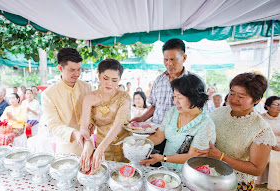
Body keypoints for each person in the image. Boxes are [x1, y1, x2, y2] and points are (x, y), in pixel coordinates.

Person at [198, 73, 276, 191]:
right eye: (232, 93)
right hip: (209, 177)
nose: (234, 99)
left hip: (236, 187)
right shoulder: (219, 113)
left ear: (257, 99)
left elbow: (257, 169)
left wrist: (221, 156)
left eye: (241, 96)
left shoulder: (260, 129)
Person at [132, 38, 192, 166]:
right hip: (157, 134)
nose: (168, 63)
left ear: (184, 58)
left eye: (173, 59)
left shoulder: (193, 82)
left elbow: (197, 112)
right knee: (153, 167)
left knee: (173, 170)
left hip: (178, 138)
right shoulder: (159, 80)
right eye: (166, 59)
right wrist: (142, 118)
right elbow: (154, 105)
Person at [140, 74, 215, 170]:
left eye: (179, 98)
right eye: (174, 96)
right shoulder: (173, 112)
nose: (176, 101)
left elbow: (192, 156)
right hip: (166, 168)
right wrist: (139, 143)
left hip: (189, 174)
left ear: (194, 97)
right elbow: (158, 136)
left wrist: (163, 158)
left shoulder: (206, 125)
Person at [80, 59, 131, 172]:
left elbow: (119, 123)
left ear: (119, 80)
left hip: (124, 145)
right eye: (105, 78)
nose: (109, 84)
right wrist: (88, 143)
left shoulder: (124, 97)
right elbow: (84, 126)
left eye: (114, 80)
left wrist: (100, 148)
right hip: (103, 146)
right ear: (99, 76)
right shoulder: (89, 98)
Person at [41, 48, 92, 155]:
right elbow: (53, 125)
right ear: (60, 68)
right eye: (72, 70)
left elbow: (93, 112)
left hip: (88, 144)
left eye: (79, 69)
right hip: (67, 149)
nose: (77, 74)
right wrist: (74, 133)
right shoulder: (48, 94)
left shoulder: (86, 87)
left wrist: (92, 123)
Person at [257, 96, 280, 191]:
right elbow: (258, 135)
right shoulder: (261, 118)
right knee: (274, 160)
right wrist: (271, 145)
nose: (279, 106)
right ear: (268, 106)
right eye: (276, 104)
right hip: (265, 145)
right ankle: (274, 185)